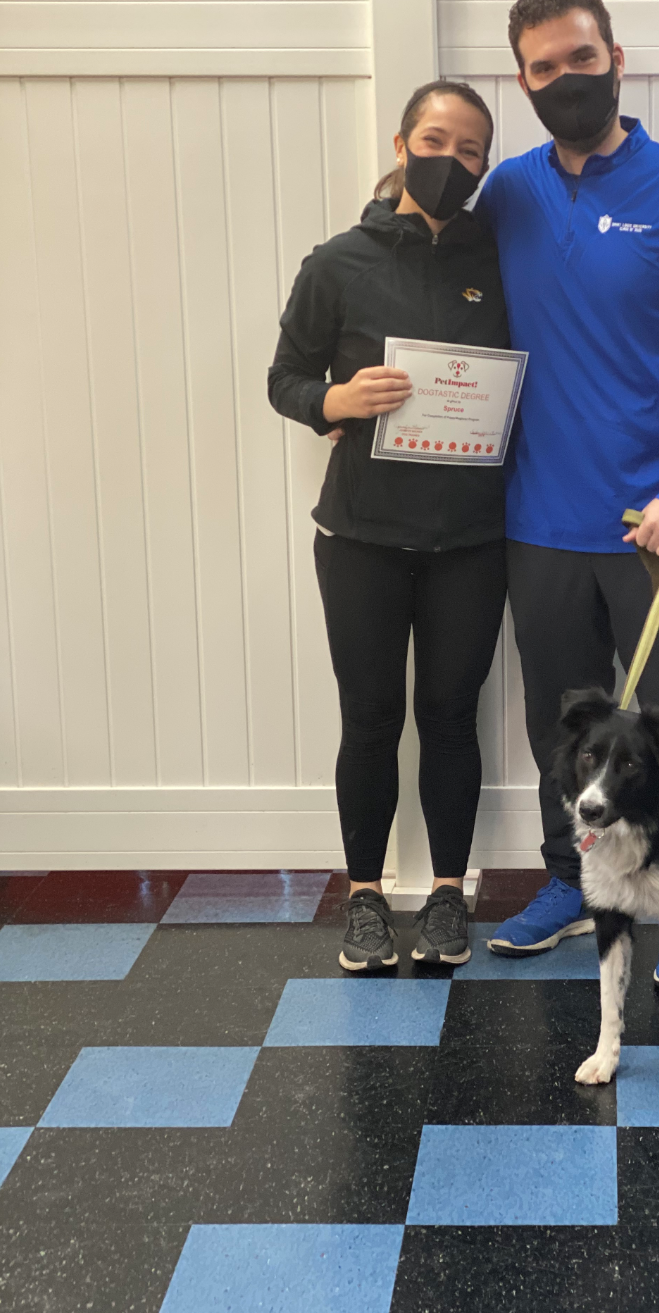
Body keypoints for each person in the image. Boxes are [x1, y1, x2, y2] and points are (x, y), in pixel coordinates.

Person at [476, 0, 659, 988]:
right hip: (540, 522)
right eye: (544, 68)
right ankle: (571, 880)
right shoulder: (505, 193)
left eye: (581, 59)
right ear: (522, 80)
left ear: (616, 59)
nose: (566, 79)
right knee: (561, 729)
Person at [268, 80, 508, 972]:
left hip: (472, 540)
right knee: (369, 717)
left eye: (470, 150)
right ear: (402, 144)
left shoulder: (502, 261)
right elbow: (285, 378)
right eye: (435, 141)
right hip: (361, 538)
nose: (451, 161)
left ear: (484, 166)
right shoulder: (338, 262)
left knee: (450, 716)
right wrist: (334, 399)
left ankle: (448, 893)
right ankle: (365, 895)